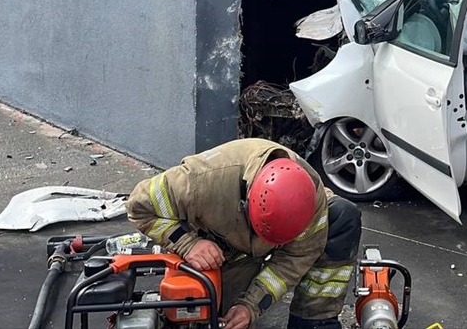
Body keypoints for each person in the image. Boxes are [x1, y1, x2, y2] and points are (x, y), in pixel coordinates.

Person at [126, 138, 361, 329]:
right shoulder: (201, 183)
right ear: (247, 204)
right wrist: (187, 243)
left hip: (254, 238)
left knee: (343, 216)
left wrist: (250, 306)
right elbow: (139, 207)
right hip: (219, 246)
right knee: (207, 313)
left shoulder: (312, 206)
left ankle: (314, 321)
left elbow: (292, 261)